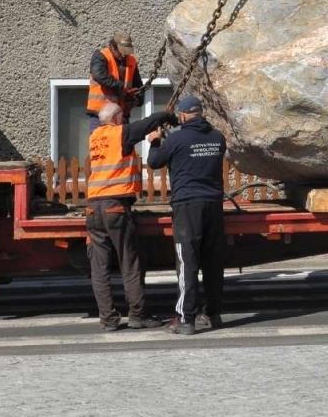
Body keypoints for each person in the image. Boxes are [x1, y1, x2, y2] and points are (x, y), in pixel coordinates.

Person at [145, 93, 226, 335]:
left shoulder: (177, 139)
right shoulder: (217, 138)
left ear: (182, 115)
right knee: (212, 262)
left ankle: (186, 319)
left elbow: (154, 162)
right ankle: (214, 313)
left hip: (187, 205)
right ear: (200, 113)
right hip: (214, 204)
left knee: (187, 262)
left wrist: (155, 141)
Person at [85, 101, 168, 331]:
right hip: (115, 206)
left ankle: (108, 319)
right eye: (122, 116)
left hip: (93, 207)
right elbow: (145, 125)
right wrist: (166, 116)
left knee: (99, 268)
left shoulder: (94, 137)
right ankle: (137, 315)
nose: (124, 120)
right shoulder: (118, 133)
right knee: (130, 263)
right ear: (115, 119)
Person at [87, 31, 143, 119]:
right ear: (113, 46)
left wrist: (137, 98)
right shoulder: (101, 55)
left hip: (121, 115)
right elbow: (98, 75)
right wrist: (121, 88)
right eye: (121, 51)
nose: (124, 54)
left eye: (126, 51)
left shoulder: (131, 60)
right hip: (100, 114)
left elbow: (138, 85)